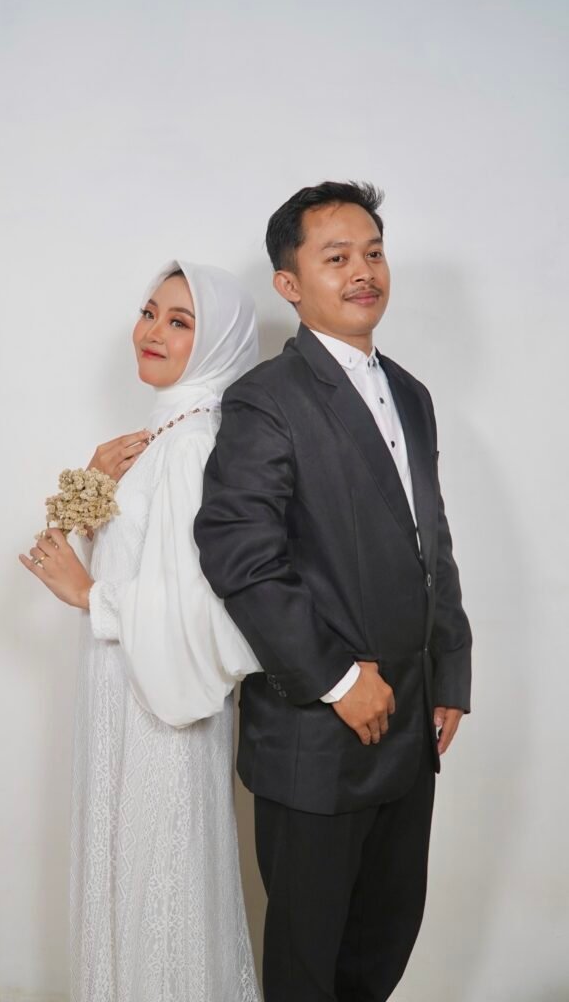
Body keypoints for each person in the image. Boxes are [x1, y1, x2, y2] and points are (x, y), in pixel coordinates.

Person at [194, 182, 473, 1002]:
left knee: (382, 940)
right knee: (309, 958)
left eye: (373, 253)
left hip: (411, 721)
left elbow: (430, 540)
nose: (363, 271)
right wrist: (338, 678)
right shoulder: (265, 399)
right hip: (317, 732)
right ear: (289, 283)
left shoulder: (410, 394)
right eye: (337, 257)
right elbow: (238, 554)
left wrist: (449, 669)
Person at [19, 261, 262, 1002]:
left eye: (180, 321)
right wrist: (93, 482)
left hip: (160, 702)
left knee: (161, 876)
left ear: (216, 341)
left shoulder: (193, 444)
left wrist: (89, 595)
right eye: (149, 311)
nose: (151, 331)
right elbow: (62, 549)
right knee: (134, 869)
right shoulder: (163, 433)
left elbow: (199, 605)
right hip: (124, 686)